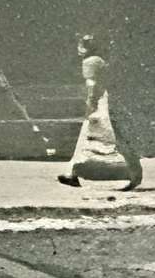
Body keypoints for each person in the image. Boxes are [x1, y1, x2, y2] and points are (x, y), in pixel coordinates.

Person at [56, 31, 143, 192]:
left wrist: (90, 103)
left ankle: (125, 174)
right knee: (113, 138)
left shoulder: (90, 62)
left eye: (81, 45)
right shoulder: (101, 60)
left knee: (101, 138)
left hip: (99, 104)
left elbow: (92, 85)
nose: (78, 49)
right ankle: (73, 173)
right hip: (107, 100)